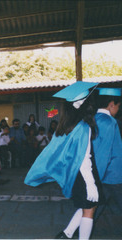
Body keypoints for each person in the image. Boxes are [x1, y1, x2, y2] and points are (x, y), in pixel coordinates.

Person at [25, 82, 104, 240]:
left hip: (74, 173)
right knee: (89, 211)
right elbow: (84, 158)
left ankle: (67, 233)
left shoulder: (65, 125)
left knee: (87, 206)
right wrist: (90, 183)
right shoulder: (83, 126)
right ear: (83, 104)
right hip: (83, 173)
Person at [91, 88, 122, 229]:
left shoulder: (94, 119)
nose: (118, 109)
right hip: (113, 175)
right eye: (118, 105)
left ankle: (73, 232)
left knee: (94, 208)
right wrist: (96, 178)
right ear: (111, 104)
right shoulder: (110, 122)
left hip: (104, 175)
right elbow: (103, 153)